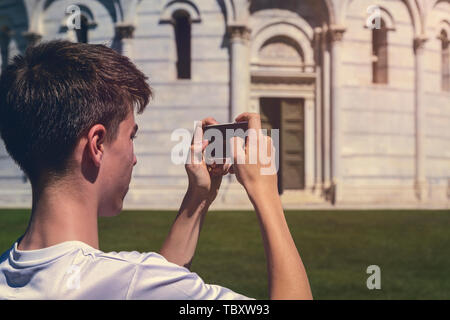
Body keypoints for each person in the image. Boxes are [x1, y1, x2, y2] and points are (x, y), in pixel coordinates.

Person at [0, 40, 312, 300]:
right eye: (131, 136)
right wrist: (265, 191)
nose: (134, 158)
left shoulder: (7, 274)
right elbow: (146, 284)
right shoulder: (132, 281)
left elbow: (155, 282)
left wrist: (198, 197)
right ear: (97, 144)